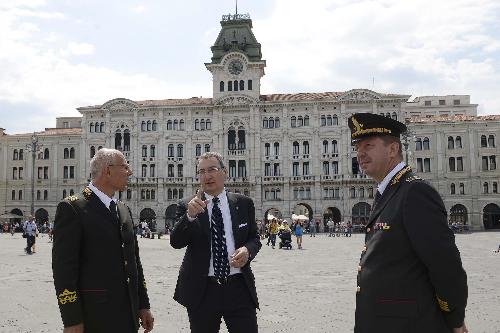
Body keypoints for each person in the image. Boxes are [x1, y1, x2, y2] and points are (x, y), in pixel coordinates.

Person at [349, 113, 468, 333]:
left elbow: (445, 265)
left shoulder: (414, 192)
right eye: (357, 148)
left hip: (408, 324)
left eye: (368, 146)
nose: (360, 154)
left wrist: (454, 319)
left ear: (393, 150)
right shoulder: (389, 191)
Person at [52, 148, 154, 333]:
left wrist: (143, 305)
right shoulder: (73, 208)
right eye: (125, 167)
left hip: (128, 315)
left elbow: (134, 263)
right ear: (108, 171)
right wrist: (71, 319)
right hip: (95, 316)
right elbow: (64, 271)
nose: (129, 172)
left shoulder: (123, 209)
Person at [170, 152, 261, 333]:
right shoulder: (187, 204)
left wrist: (247, 250)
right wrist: (189, 216)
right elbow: (176, 242)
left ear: (224, 172)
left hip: (238, 287)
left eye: (212, 169)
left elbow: (254, 238)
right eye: (201, 171)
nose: (207, 176)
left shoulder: (243, 203)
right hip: (202, 289)